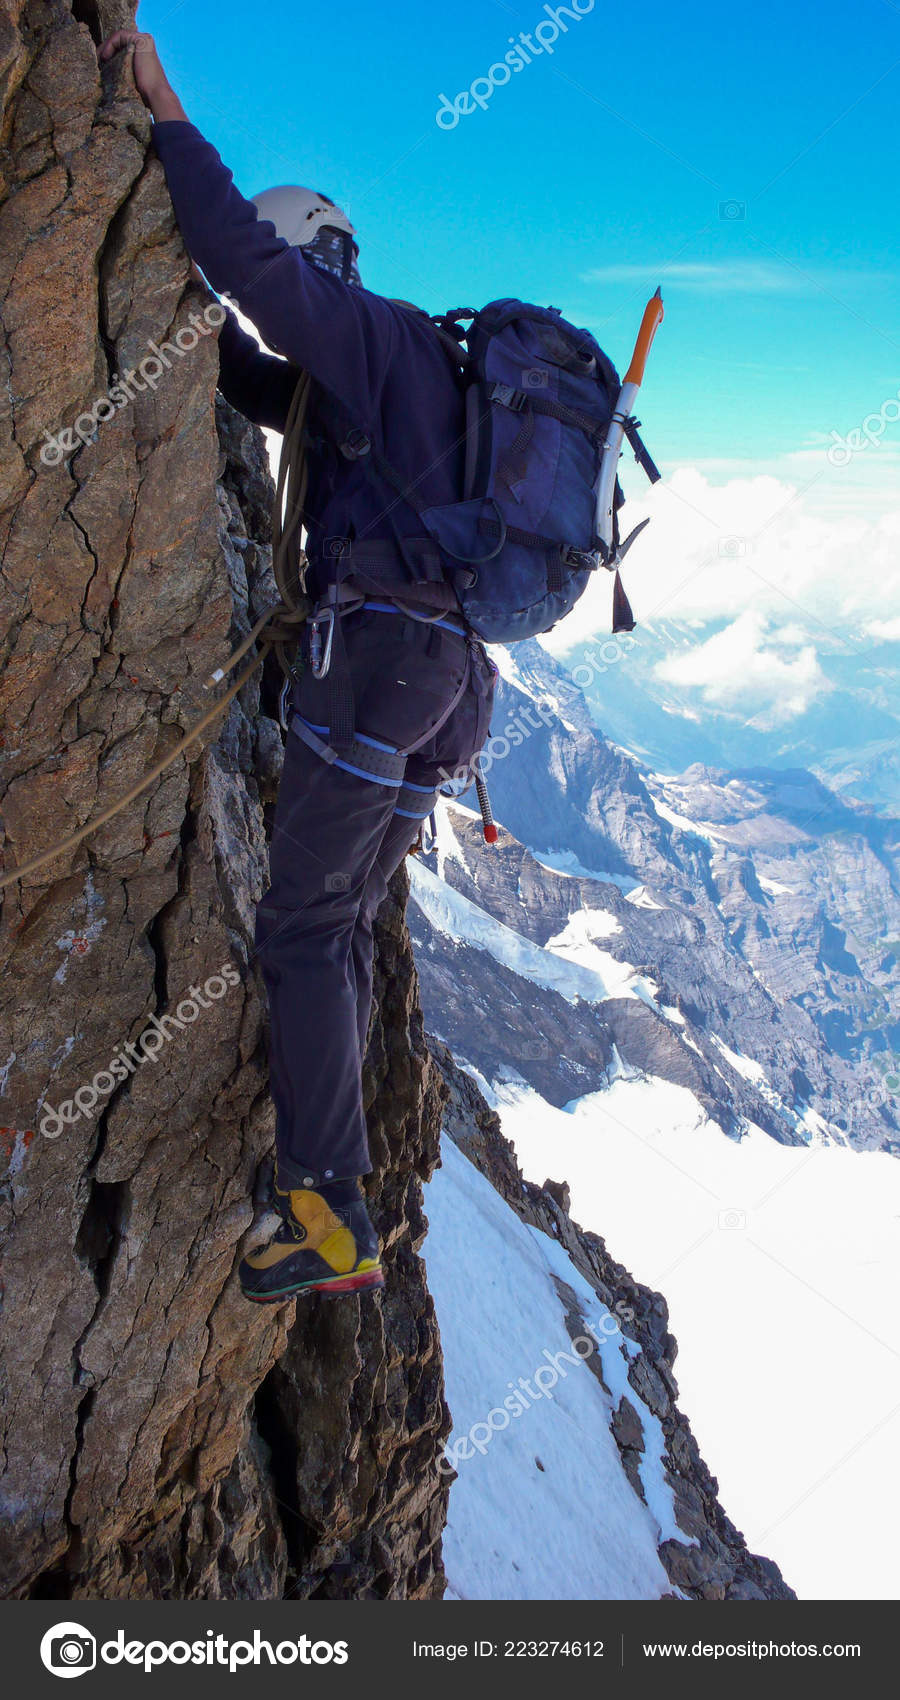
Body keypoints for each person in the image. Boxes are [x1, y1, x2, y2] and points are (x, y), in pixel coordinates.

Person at [98, 30, 495, 1303]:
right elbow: (255, 374)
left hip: (379, 664)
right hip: (444, 686)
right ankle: (339, 1177)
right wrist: (179, 315)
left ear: (317, 258)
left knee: (305, 925)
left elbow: (249, 268)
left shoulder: (371, 337)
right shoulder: (382, 388)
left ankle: (327, 1201)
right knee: (347, 918)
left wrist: (162, 114)